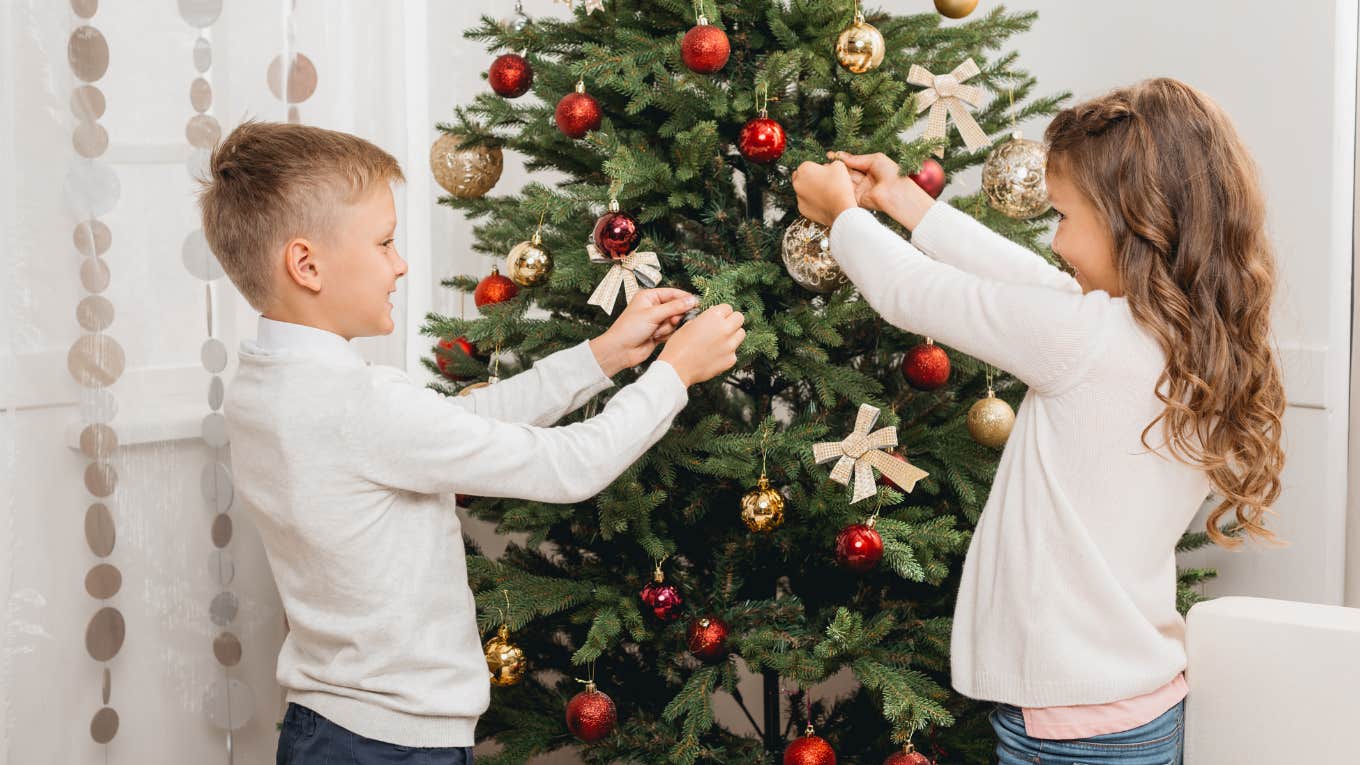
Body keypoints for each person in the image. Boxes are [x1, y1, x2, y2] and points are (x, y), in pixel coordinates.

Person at [198, 120, 746, 764]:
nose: (400, 264)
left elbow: (457, 424)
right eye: (384, 243)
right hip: (393, 745)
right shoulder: (360, 405)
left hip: (327, 728)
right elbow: (570, 466)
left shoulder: (267, 384)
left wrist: (599, 357)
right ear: (306, 264)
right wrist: (675, 372)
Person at [791, 79, 1285, 763]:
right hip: (1133, 709)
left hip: (1074, 731)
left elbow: (913, 292)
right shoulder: (1177, 334)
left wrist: (841, 216)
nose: (1055, 240)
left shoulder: (1087, 340)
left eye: (1062, 216)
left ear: (1131, 223)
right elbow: (1029, 281)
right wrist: (905, 201)